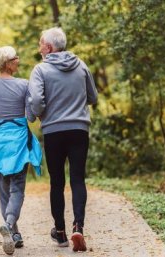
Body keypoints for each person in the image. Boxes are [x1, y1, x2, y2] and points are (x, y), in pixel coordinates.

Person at [28, 27, 98, 252]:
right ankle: (78, 225)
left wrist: (40, 114)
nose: (39, 48)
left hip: (53, 131)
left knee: (57, 182)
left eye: (41, 44)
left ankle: (60, 233)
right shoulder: (81, 65)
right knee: (78, 179)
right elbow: (93, 96)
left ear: (48, 47)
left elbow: (37, 101)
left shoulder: (40, 70)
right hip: (79, 129)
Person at [0, 46, 42, 255]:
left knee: (3, 188)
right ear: (7, 63)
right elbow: (31, 117)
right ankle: (10, 223)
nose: (18, 59)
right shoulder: (24, 84)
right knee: (18, 188)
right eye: (15, 57)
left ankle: (13, 233)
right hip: (19, 139)